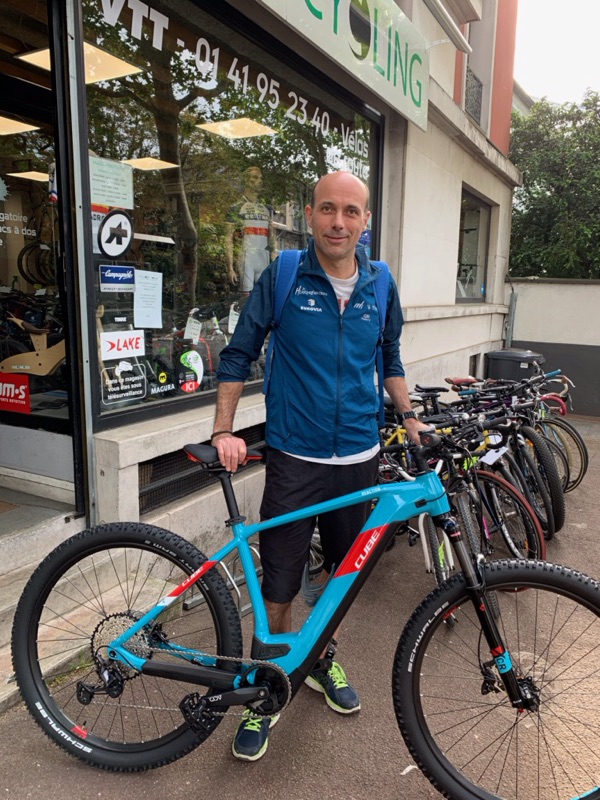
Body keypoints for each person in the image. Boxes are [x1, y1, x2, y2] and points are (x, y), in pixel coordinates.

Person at [212, 170, 429, 762]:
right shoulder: (284, 275)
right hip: (295, 459)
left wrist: (410, 418)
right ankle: (266, 687)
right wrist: (224, 430)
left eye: (351, 212)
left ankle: (318, 660)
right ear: (310, 214)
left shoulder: (381, 283)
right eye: (328, 209)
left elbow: (389, 357)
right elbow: (238, 353)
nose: (339, 222)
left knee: (341, 578)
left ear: (365, 221)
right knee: (279, 584)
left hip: (359, 459)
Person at [226, 166, 278, 293]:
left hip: (264, 258)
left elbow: (272, 239)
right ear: (246, 180)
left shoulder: (267, 209)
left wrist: (275, 259)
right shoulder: (236, 208)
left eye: (260, 178)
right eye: (255, 177)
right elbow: (228, 239)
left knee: (264, 296)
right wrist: (230, 268)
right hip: (246, 258)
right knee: (246, 297)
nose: (259, 181)